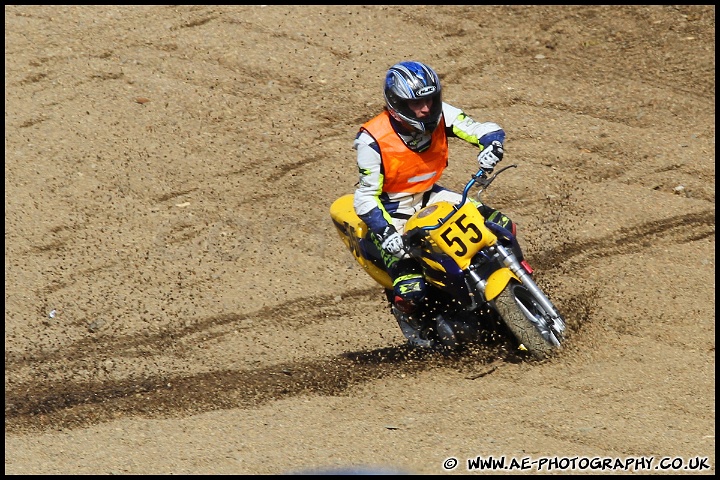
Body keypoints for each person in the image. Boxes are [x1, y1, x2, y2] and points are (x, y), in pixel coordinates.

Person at [352, 60, 514, 347]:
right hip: (394, 210)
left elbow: (481, 128)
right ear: (396, 103)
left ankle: (516, 280)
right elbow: (364, 198)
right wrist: (386, 232)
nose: (425, 109)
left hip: (432, 195)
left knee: (501, 225)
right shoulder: (372, 140)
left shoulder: (442, 115)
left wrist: (492, 145)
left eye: (429, 100)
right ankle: (414, 321)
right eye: (416, 104)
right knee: (410, 286)